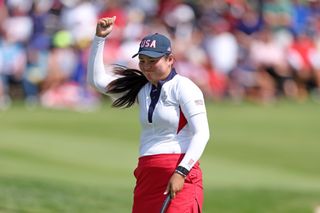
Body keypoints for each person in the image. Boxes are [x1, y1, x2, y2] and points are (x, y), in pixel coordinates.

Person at [87, 16, 210, 213]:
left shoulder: (184, 87)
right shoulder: (141, 88)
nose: (146, 67)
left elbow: (202, 133)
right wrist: (99, 39)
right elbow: (97, 81)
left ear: (170, 60)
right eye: (142, 61)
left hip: (179, 172)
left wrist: (182, 171)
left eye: (153, 61)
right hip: (147, 173)